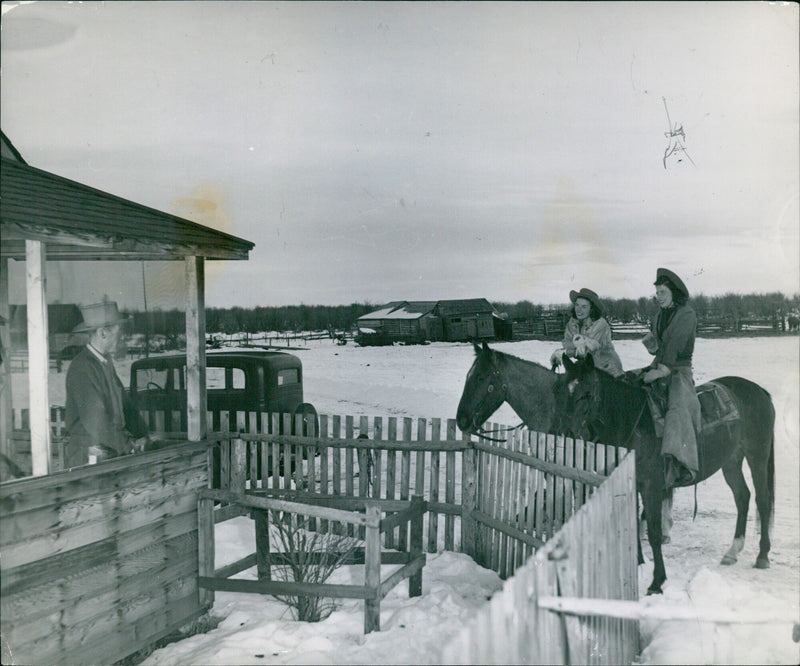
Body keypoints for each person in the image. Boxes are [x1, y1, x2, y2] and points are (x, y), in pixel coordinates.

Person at [64, 302, 148, 467]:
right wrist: (127, 446)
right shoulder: (82, 367)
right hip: (89, 456)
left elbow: (126, 406)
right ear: (103, 333)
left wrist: (141, 434)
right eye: (118, 333)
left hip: (110, 449)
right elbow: (96, 421)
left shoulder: (104, 362)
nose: (121, 338)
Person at [641, 268, 701, 489]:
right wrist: (653, 346)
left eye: (663, 292)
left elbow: (676, 344)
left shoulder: (686, 314)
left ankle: (681, 462)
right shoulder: (659, 315)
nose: (659, 296)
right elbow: (661, 344)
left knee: (676, 409)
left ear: (674, 293)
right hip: (658, 364)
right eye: (657, 292)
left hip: (679, 370)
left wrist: (663, 369)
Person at [550, 287, 624, 377]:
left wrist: (565, 353)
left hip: (608, 370)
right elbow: (567, 343)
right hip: (588, 370)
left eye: (584, 307)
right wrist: (562, 352)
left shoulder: (600, 324)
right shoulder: (572, 323)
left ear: (592, 309)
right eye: (577, 305)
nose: (579, 310)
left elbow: (588, 352)